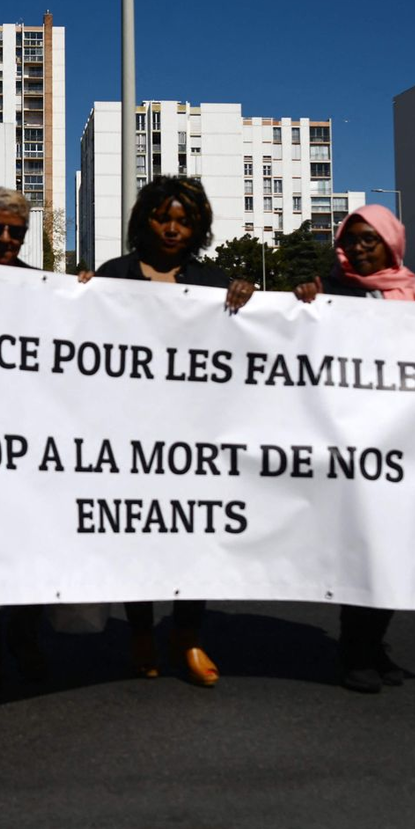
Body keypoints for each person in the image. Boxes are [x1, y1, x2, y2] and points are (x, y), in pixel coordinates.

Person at [294, 202, 415, 694]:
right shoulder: (329, 291)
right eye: (352, 239)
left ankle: (373, 646)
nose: (359, 248)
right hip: (352, 445)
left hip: (403, 444)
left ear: (392, 242)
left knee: (396, 551)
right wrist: (302, 303)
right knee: (365, 552)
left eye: (371, 239)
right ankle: (355, 653)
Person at [81, 176, 254, 688]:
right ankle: (140, 633)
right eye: (163, 218)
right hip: (129, 436)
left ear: (198, 227)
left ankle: (187, 634)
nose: (173, 229)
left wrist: (248, 298)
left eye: (184, 221)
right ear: (145, 221)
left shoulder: (214, 283)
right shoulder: (114, 275)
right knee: (136, 534)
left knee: (194, 537)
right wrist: (77, 296)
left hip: (196, 440)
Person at [0, 187, 45, 693]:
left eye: (14, 232)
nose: (4, 238)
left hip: (28, 437)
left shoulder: (41, 286)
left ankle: (24, 634)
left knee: (31, 542)